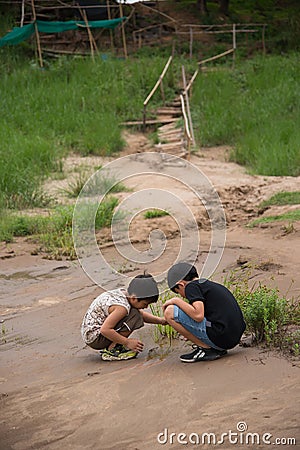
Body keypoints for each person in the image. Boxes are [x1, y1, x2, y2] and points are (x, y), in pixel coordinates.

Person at [164, 262, 246, 363]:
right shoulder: (208, 285)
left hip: (222, 337)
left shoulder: (191, 287)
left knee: (170, 312)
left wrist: (176, 300)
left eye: (179, 292)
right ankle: (212, 347)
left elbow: (198, 315)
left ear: (181, 284)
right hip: (231, 337)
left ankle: (206, 349)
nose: (182, 296)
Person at [81, 273, 167, 361]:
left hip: (91, 333)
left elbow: (142, 315)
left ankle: (114, 345)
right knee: (135, 317)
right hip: (95, 338)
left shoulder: (123, 294)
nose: (146, 307)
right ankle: (112, 349)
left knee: (135, 313)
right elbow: (105, 330)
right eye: (145, 304)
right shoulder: (122, 308)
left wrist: (162, 321)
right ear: (134, 298)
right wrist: (127, 342)